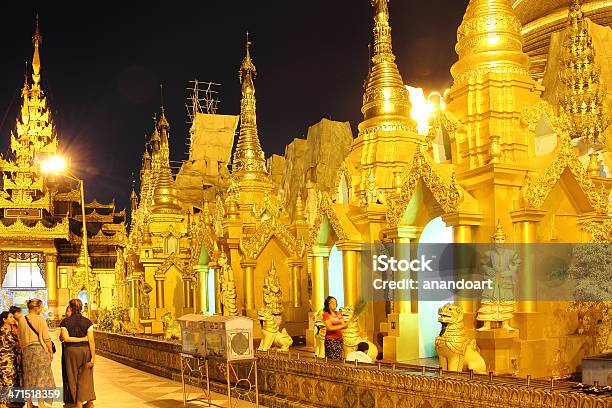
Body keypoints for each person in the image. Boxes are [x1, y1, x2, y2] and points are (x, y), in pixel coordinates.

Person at [17, 299, 54, 408]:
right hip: (39, 350)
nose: (41, 309)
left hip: (26, 351)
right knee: (41, 376)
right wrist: (50, 351)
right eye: (41, 307)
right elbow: (46, 338)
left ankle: (29, 403)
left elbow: (19, 338)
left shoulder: (21, 320)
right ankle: (41, 403)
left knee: (28, 376)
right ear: (36, 308)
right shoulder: (40, 320)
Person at [60, 299, 96, 408]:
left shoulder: (65, 322)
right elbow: (91, 341)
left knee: (73, 377)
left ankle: (78, 403)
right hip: (85, 351)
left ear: (70, 308)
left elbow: (65, 339)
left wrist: (78, 339)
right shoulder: (88, 322)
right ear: (81, 308)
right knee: (87, 377)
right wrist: (93, 357)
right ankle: (89, 403)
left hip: (71, 352)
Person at [0, 311, 19, 408]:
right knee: (7, 380)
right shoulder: (4, 331)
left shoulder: (9, 330)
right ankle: (3, 403)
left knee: (7, 380)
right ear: (4, 320)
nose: (13, 319)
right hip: (6, 360)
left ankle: (5, 402)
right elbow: (16, 343)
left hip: (9, 358)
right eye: (10, 317)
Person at [322, 296, 348, 361]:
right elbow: (329, 328)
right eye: (332, 302)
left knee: (340, 358)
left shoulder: (338, 313)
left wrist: (345, 324)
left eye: (335, 302)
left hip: (339, 339)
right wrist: (341, 326)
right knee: (332, 360)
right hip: (331, 340)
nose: (334, 304)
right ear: (327, 304)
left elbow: (344, 324)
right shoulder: (326, 314)